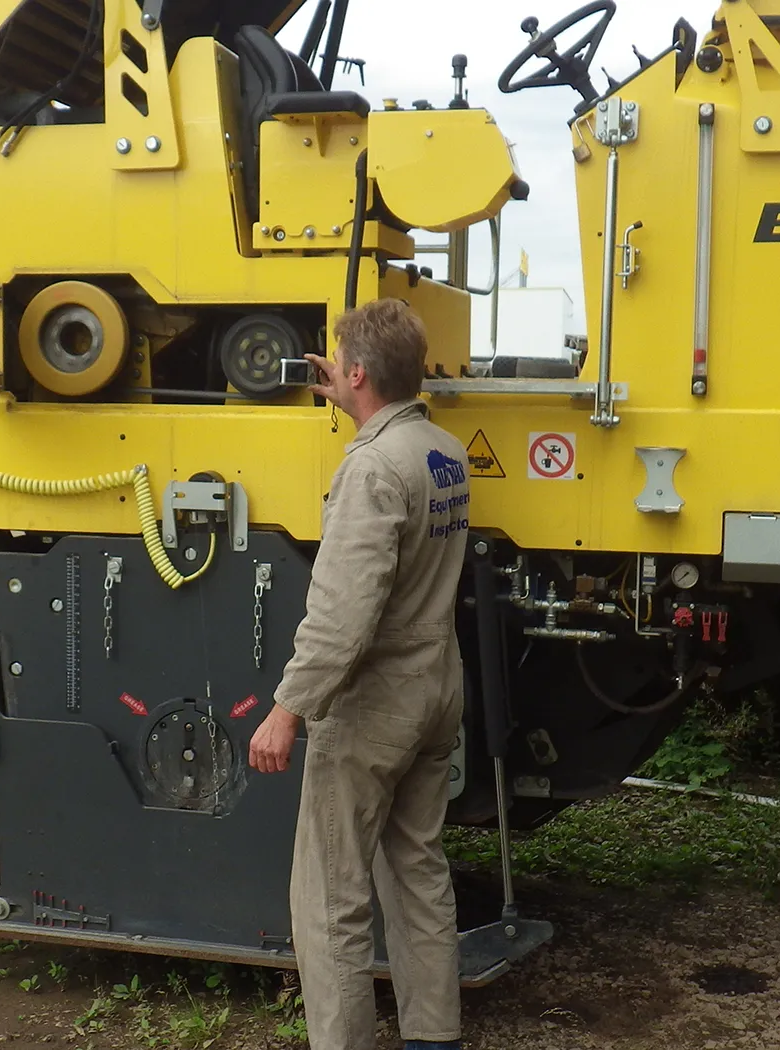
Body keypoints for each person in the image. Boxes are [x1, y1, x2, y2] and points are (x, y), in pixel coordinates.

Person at [248, 298, 471, 1050]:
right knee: (418, 873)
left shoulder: (371, 469)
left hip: (376, 705)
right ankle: (434, 1038)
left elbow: (343, 614)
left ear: (359, 373)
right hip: (438, 687)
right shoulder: (443, 450)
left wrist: (289, 708)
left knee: (330, 896)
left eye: (342, 370)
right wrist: (349, 391)